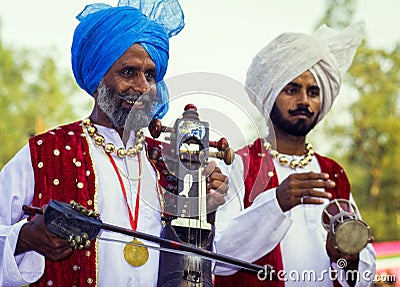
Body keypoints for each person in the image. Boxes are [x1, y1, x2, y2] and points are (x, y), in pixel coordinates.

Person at [0, 1, 229, 286]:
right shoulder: (45, 153)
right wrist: (24, 238)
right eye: (128, 72)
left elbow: (201, 266)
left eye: (150, 75)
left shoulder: (167, 165)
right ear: (97, 78)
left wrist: (203, 209)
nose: (143, 87)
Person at [213, 21, 376, 287]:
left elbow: (363, 272)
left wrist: (349, 259)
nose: (304, 101)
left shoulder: (332, 172)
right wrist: (276, 203)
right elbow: (218, 256)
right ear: (270, 94)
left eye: (313, 92)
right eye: (292, 89)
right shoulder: (240, 164)